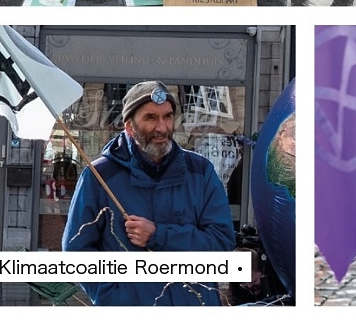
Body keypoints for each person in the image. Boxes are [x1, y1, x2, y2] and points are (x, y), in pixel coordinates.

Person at [62, 80, 236, 306]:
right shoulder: (100, 176)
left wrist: (158, 236)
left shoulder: (200, 171)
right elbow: (76, 249)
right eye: (151, 118)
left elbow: (221, 241)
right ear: (129, 126)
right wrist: (113, 298)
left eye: (168, 116)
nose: (162, 128)